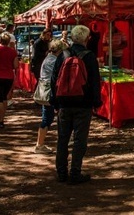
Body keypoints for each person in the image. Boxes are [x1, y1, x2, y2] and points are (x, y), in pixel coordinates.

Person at [51, 24, 102, 184]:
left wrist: (55, 102)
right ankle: (75, 173)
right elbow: (95, 81)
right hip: (83, 103)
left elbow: (54, 80)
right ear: (87, 39)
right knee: (80, 140)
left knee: (62, 139)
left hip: (64, 103)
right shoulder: (89, 56)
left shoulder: (63, 54)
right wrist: (96, 102)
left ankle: (61, 172)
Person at [34, 39, 64, 154]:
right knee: (48, 118)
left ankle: (40, 144)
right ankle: (39, 145)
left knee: (48, 117)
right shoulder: (54, 60)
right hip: (50, 92)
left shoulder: (48, 58)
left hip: (46, 91)